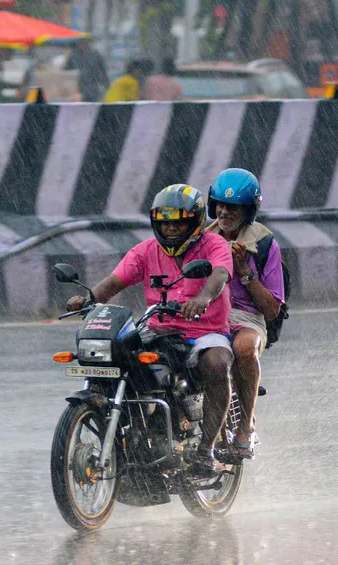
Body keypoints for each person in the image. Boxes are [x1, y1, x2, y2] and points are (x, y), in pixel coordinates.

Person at [66, 184, 234, 475]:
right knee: (118, 355)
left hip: (204, 330)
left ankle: (205, 450)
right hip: (158, 327)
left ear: (195, 222)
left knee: (217, 364)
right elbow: (115, 281)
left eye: (178, 222)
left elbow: (219, 274)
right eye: (164, 222)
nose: (170, 228)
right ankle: (137, 432)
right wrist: (89, 299)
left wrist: (203, 299)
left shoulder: (214, 245)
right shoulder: (145, 251)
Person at [205, 168, 284, 460]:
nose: (225, 212)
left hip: (246, 317)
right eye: (221, 205)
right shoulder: (203, 239)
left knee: (244, 348)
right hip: (208, 314)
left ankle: (245, 426)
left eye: (234, 207)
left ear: (248, 210)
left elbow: (272, 309)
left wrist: (244, 273)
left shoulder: (264, 244)